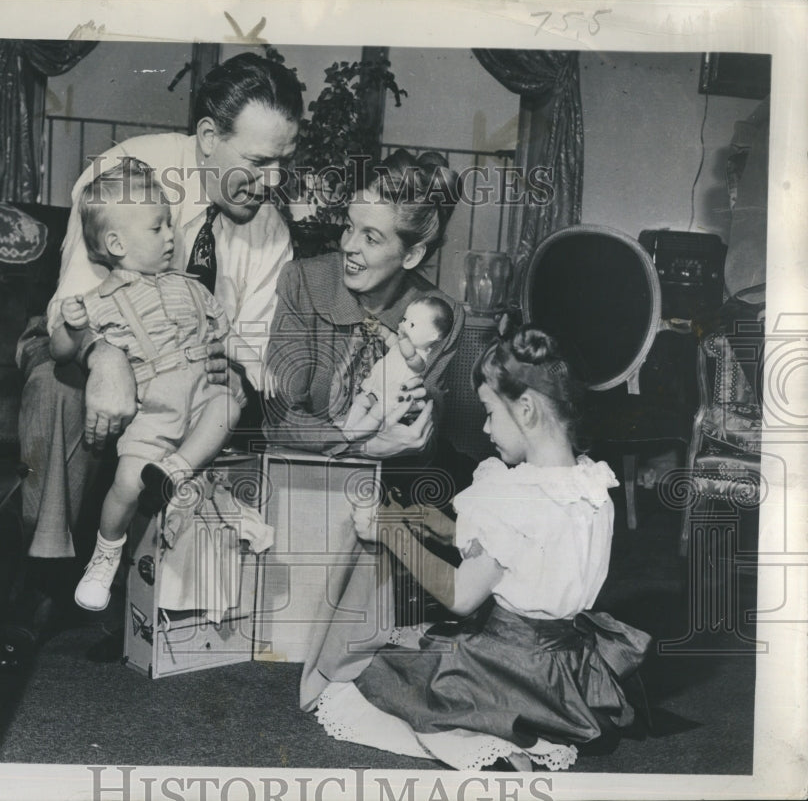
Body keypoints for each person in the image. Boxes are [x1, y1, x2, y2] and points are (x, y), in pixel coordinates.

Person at [0, 52, 303, 665]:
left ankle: (146, 587)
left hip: (184, 366)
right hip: (84, 333)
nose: (273, 183)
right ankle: (43, 580)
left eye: (283, 164)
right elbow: (71, 309)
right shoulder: (124, 174)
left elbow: (249, 337)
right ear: (210, 139)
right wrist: (104, 352)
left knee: (219, 406)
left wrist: (232, 369)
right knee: (61, 390)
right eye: (258, 163)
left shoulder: (268, 227)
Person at [313, 327, 651, 771]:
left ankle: (492, 746)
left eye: (491, 412)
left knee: (374, 680)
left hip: (511, 666)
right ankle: (526, 732)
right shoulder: (590, 486)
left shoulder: (517, 498)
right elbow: (528, 555)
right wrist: (428, 523)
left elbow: (461, 596)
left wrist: (391, 534)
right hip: (566, 669)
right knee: (423, 646)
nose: (486, 427)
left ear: (526, 409)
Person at [262, 149, 465, 707]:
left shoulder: (439, 314)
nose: (349, 245)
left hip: (380, 498)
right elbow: (276, 420)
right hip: (298, 493)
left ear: (414, 252)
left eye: (372, 238)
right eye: (350, 226)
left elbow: (416, 435)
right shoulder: (303, 281)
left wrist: (416, 431)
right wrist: (363, 441)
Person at [49, 158, 240, 611]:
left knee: (229, 406)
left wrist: (229, 355)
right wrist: (72, 328)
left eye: (170, 224)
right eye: (158, 228)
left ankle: (177, 469)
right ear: (116, 243)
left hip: (200, 393)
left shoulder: (190, 286)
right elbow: (59, 350)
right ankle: (105, 553)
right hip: (153, 404)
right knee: (127, 483)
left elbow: (223, 334)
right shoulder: (99, 300)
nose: (172, 235)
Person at [341, 296, 454, 439]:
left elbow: (410, 356)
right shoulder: (400, 344)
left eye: (412, 324)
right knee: (360, 401)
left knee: (376, 414)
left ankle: (353, 435)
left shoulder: (419, 358)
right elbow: (388, 337)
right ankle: (347, 428)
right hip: (377, 386)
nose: (404, 325)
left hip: (392, 396)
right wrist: (378, 328)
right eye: (404, 320)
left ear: (432, 336)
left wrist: (404, 339)